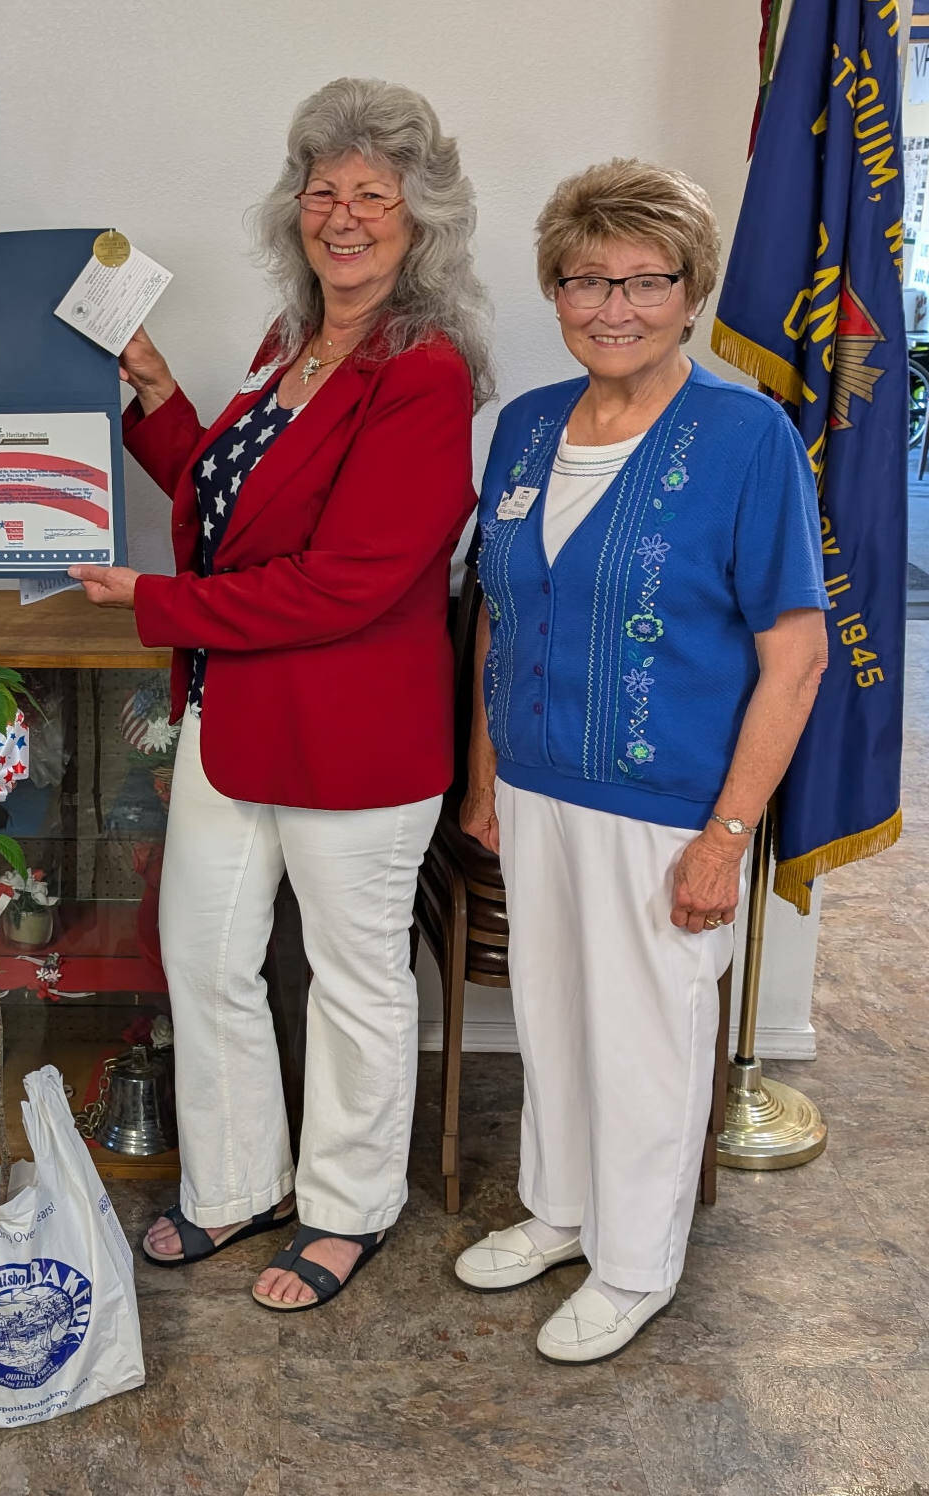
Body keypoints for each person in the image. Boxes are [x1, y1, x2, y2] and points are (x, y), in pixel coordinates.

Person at [70, 77, 490, 1312]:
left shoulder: (425, 371)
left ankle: (348, 1205)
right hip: (235, 714)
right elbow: (228, 501)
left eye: (374, 194)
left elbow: (348, 582)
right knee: (201, 958)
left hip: (357, 736)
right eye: (324, 190)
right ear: (293, 209)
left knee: (357, 984)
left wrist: (150, 603)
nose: (344, 215)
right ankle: (235, 1179)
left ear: (420, 221)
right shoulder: (285, 342)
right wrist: (152, 391)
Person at [453, 159, 829, 1362]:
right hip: (531, 785)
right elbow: (494, 617)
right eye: (582, 279)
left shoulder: (745, 435)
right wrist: (481, 777)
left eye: (642, 280)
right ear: (553, 289)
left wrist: (725, 833)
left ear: (688, 291)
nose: (610, 305)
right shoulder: (518, 429)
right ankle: (561, 1210)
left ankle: (634, 1262)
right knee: (553, 1018)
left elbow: (796, 653)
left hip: (666, 801)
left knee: (648, 1035)